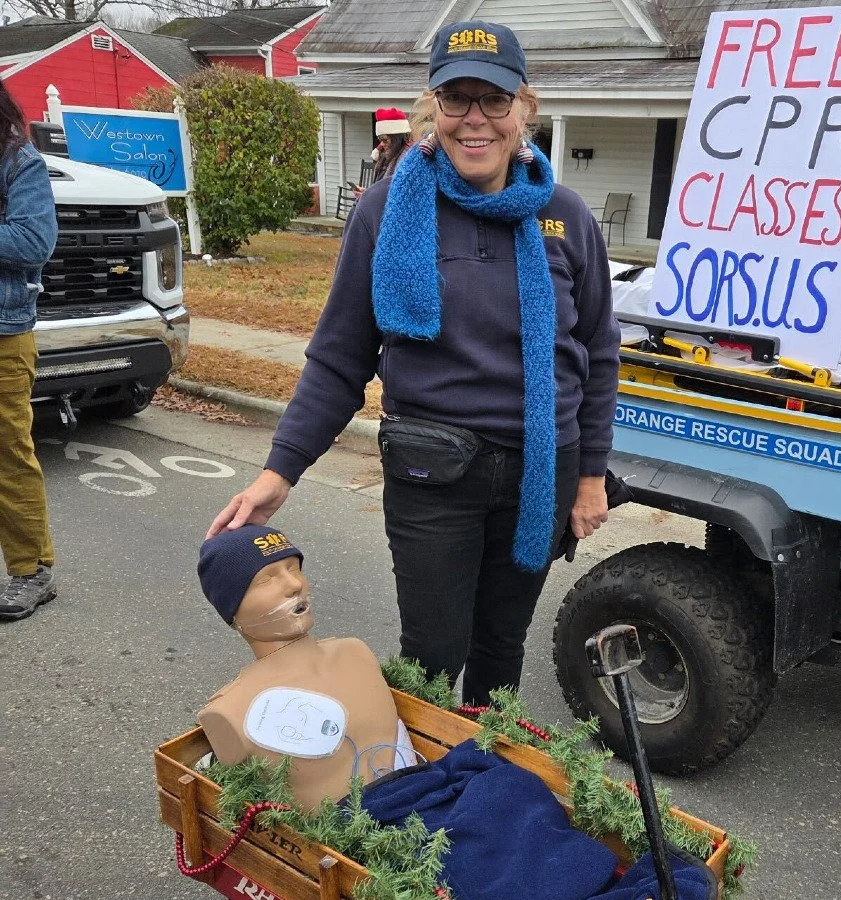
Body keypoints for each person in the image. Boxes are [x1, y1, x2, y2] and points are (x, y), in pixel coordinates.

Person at [208, 19, 621, 706]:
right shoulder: (387, 211)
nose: (475, 120)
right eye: (455, 99)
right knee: (432, 653)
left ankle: (486, 779)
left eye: (493, 99)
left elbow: (598, 356)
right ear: (432, 107)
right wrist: (280, 471)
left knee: (500, 645)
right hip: (433, 475)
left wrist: (591, 480)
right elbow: (341, 358)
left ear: (525, 108)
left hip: (541, 476)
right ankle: (420, 789)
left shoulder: (566, 216)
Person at [197, 524, 413, 811]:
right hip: (350, 846)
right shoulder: (227, 711)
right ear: (232, 606)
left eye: (293, 568)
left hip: (430, 799)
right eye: (266, 579)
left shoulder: (355, 651)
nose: (294, 584)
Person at [0, 82, 59, 621]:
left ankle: (32, 571)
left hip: (3, 334)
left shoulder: (19, 162)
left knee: (7, 453)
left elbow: (32, 242)